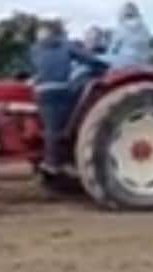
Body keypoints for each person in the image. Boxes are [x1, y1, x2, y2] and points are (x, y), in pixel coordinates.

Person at [30, 23, 107, 174]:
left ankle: (53, 161)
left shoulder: (35, 49)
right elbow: (86, 58)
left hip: (42, 90)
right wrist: (102, 65)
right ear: (56, 34)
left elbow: (33, 68)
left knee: (51, 126)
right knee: (63, 126)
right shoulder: (66, 46)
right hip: (60, 88)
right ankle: (55, 163)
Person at [101, 1, 152, 70]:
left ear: (122, 14)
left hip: (124, 63)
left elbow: (112, 50)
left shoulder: (121, 28)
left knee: (94, 58)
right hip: (142, 63)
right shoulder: (145, 28)